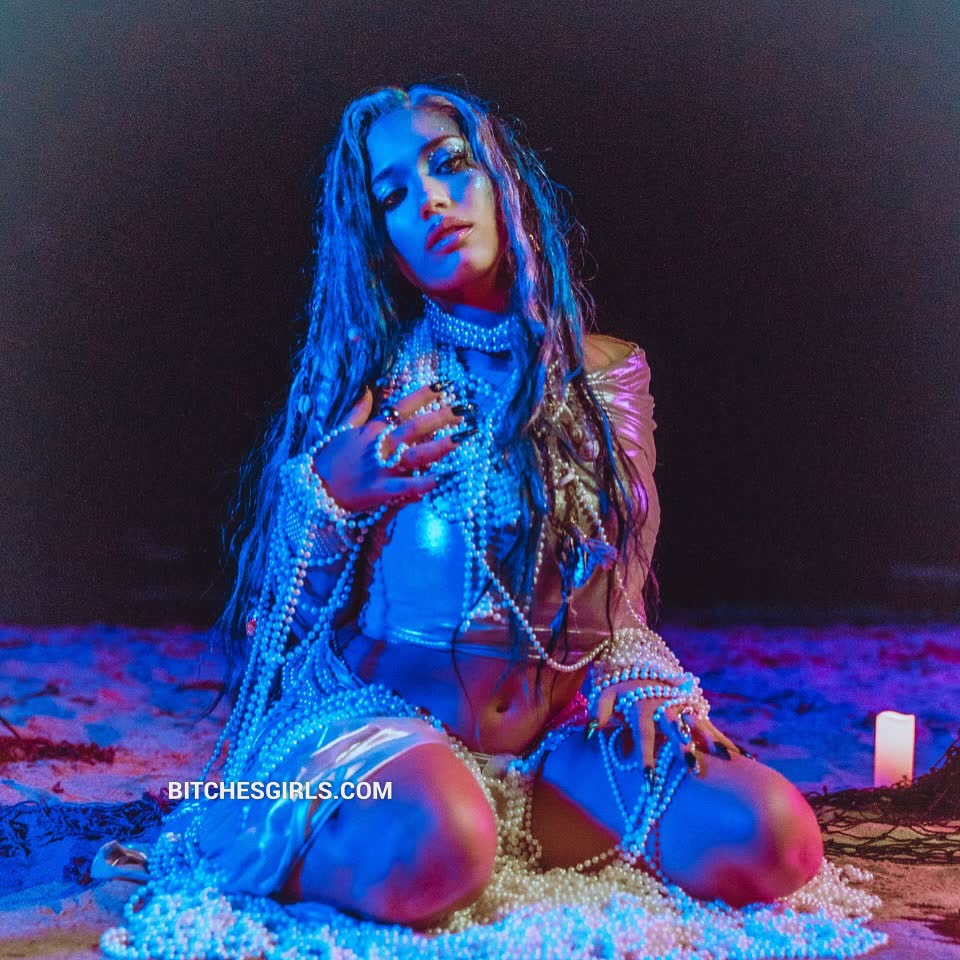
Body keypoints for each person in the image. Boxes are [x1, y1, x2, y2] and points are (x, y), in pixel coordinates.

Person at [99, 81, 886, 960]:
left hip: (553, 754)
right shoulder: (376, 392)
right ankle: (299, 832)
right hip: (387, 748)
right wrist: (328, 494)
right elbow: (282, 627)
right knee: (441, 839)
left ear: (505, 181)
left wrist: (639, 671)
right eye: (393, 195)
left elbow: (620, 588)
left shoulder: (610, 377)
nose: (430, 201)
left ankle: (490, 836)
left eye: (450, 165)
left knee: (774, 835)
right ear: (380, 239)